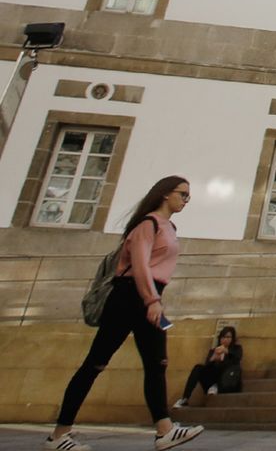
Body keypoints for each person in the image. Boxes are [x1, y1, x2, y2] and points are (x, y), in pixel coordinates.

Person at [45, 175, 204, 451]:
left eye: (188, 196)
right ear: (165, 193)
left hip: (151, 297)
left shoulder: (169, 226)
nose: (186, 200)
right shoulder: (148, 224)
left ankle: (164, 430)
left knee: (157, 364)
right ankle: (59, 435)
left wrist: (155, 301)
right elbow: (140, 266)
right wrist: (151, 300)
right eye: (183, 194)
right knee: (95, 363)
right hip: (130, 297)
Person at [173, 326, 243, 408]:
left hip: (228, 383)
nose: (225, 339)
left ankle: (217, 386)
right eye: (223, 337)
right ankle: (185, 398)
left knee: (231, 367)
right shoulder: (214, 350)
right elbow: (207, 367)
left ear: (232, 339)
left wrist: (226, 351)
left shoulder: (236, 349)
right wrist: (213, 358)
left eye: (228, 337)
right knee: (198, 367)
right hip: (212, 381)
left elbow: (237, 358)